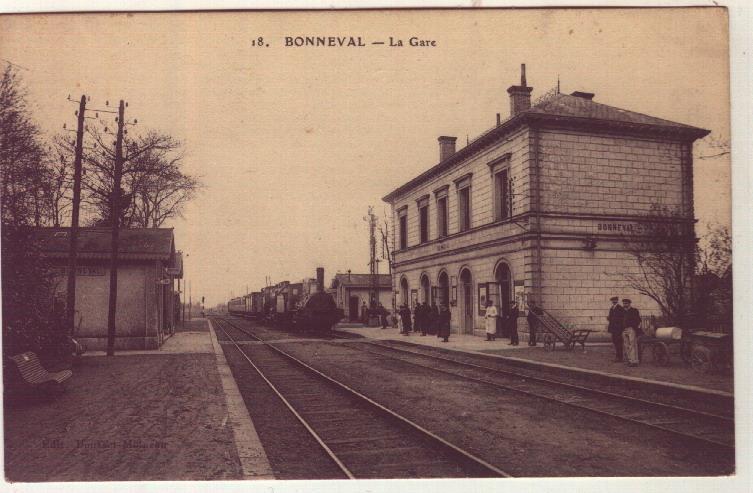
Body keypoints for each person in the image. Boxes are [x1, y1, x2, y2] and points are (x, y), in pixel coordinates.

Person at [621, 298, 642, 367]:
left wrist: (634, 327)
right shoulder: (622, 311)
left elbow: (638, 320)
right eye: (624, 303)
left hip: (631, 329)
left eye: (626, 303)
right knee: (626, 345)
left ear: (629, 303)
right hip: (624, 330)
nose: (625, 305)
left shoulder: (634, 310)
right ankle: (630, 360)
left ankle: (634, 361)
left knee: (632, 345)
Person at [607, 296, 625, 362]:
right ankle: (617, 356)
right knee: (615, 342)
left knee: (619, 343)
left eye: (615, 300)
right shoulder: (612, 308)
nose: (614, 301)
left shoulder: (620, 308)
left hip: (618, 329)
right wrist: (609, 318)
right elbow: (611, 317)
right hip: (613, 328)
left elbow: (622, 318)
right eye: (612, 300)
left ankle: (620, 357)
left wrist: (619, 325)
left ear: (617, 300)